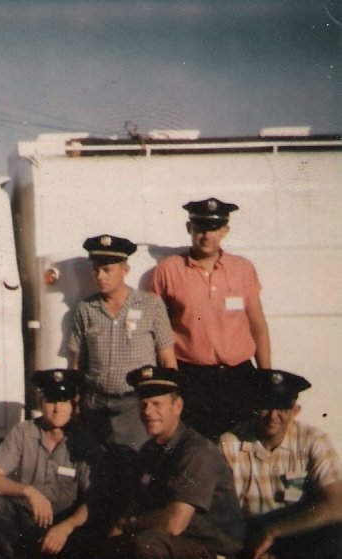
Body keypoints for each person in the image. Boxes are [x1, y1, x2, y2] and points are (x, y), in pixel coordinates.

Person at [149, 197, 272, 440]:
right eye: (200, 228)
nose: (207, 236)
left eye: (214, 228)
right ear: (189, 229)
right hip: (191, 379)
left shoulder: (243, 269)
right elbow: (155, 328)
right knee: (197, 449)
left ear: (225, 230)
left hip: (239, 377)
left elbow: (257, 324)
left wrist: (266, 377)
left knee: (241, 448)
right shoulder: (169, 270)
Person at [95, 365, 245, 559]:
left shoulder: (196, 452)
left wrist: (127, 523)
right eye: (143, 405)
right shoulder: (150, 450)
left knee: (147, 544)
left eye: (157, 404)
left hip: (214, 549)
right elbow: (138, 502)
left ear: (178, 407)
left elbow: (174, 523)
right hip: (179, 543)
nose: (148, 412)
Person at [67, 234, 177, 450]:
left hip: (135, 406)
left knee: (135, 468)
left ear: (125, 270)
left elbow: (167, 360)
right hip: (96, 406)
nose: (100, 276)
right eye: (95, 269)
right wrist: (77, 401)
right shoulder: (86, 309)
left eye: (107, 270)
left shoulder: (150, 305)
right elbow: (77, 363)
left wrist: (166, 405)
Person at [219, 369, 342, 559]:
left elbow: (336, 504)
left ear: (295, 411)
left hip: (295, 531)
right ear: (255, 406)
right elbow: (219, 511)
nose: (273, 415)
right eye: (266, 406)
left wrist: (274, 531)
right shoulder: (230, 443)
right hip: (247, 534)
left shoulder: (313, 440)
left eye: (282, 407)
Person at [0, 369, 98, 558]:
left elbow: (93, 501)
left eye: (64, 401)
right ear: (41, 403)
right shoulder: (23, 432)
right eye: (51, 400)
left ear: (73, 404)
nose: (57, 408)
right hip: (27, 518)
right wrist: (29, 491)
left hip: (63, 526)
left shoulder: (84, 441)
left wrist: (66, 527)